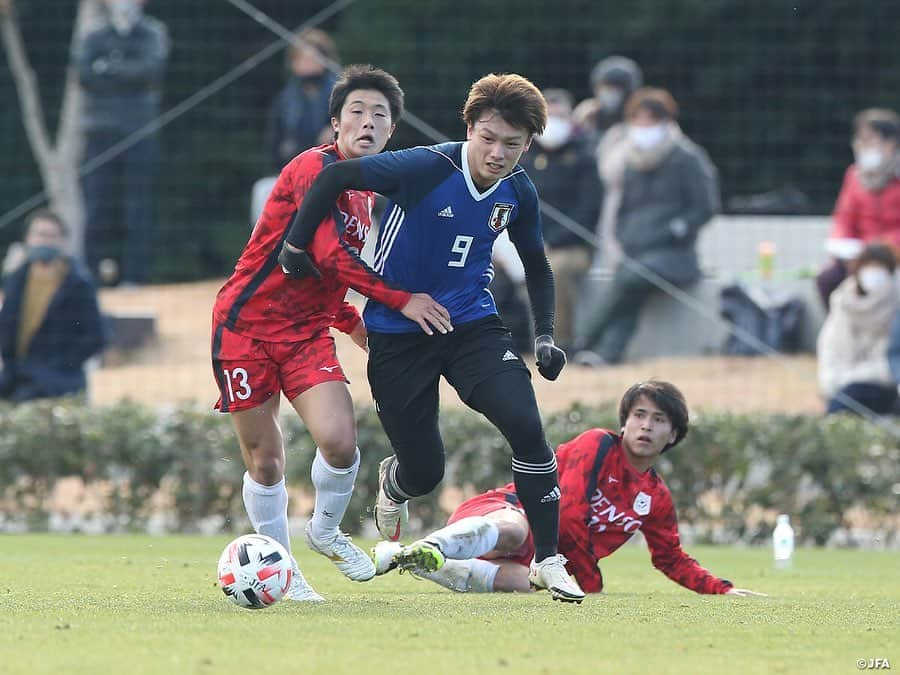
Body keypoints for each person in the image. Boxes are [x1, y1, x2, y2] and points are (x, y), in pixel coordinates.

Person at [278, 73, 585, 603]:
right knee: (425, 472)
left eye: (512, 144)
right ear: (469, 128)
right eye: (488, 138)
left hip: (471, 326)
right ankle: (395, 482)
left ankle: (550, 561)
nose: (497, 153)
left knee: (527, 426)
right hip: (398, 333)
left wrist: (547, 336)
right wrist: (295, 245)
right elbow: (335, 176)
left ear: (529, 144)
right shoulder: (425, 166)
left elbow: (537, 262)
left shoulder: (518, 189)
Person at [211, 65, 450, 602]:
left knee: (341, 443)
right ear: (335, 122)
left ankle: (322, 530)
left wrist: (353, 323)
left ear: (392, 134)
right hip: (244, 330)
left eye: (380, 116)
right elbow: (325, 254)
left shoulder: (368, 194)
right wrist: (399, 301)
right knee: (266, 459)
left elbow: (324, 280)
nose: (367, 122)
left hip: (306, 335)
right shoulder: (311, 169)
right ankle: (284, 570)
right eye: (357, 112)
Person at [373, 380, 764, 599]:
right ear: (624, 424)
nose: (646, 426)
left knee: (522, 584)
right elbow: (568, 515)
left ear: (674, 434)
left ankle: (410, 557)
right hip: (506, 511)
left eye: (659, 419)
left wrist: (722, 591)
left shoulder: (655, 497)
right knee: (517, 530)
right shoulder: (598, 445)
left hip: (543, 562)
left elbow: (670, 558)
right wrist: (589, 585)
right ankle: (437, 545)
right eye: (639, 415)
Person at [575, 87, 719, 365]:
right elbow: (625, 208)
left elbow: (706, 206)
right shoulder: (631, 161)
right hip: (635, 252)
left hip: (674, 254)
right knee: (630, 292)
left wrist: (679, 227)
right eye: (638, 121)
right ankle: (605, 355)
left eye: (650, 121)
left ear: (666, 122)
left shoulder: (687, 158)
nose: (643, 127)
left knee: (629, 279)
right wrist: (623, 235)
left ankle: (583, 341)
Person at [76, 0, 170, 286]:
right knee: (96, 205)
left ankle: (134, 277)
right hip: (99, 130)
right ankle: (89, 276)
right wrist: (127, 73)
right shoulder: (93, 34)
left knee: (137, 207)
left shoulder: (154, 32)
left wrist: (108, 68)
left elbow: (150, 71)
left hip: (139, 131)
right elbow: (83, 75)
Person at [519, 89, 600, 352]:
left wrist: (551, 240)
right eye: (548, 115)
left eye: (560, 115)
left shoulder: (585, 157)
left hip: (571, 246)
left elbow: (587, 211)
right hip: (524, 241)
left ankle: (557, 342)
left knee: (555, 270)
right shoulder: (524, 156)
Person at [0, 210, 106, 402]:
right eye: (40, 234)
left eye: (51, 236)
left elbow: (96, 336)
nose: (45, 241)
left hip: (59, 381)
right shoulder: (16, 279)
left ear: (63, 242)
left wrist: (61, 365)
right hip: (15, 377)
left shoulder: (77, 284)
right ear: (28, 239)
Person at [815, 108, 900, 310]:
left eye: (870, 141)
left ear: (890, 144)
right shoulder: (854, 175)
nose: (862, 147)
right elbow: (844, 219)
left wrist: (880, 249)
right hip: (858, 257)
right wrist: (843, 245)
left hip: (893, 255)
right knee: (828, 279)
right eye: (860, 141)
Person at [817, 243, 899, 416]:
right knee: (841, 406)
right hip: (846, 385)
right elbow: (831, 350)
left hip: (889, 385)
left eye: (880, 269)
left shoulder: (896, 304)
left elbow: (894, 358)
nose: (874, 275)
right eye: (870, 268)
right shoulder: (842, 303)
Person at [266, 28, 340, 173]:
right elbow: (274, 144)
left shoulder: (343, 96)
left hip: (333, 167)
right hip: (293, 168)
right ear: (293, 64)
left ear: (326, 61)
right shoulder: (285, 100)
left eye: (313, 59)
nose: (307, 64)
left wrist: (338, 132)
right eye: (302, 59)